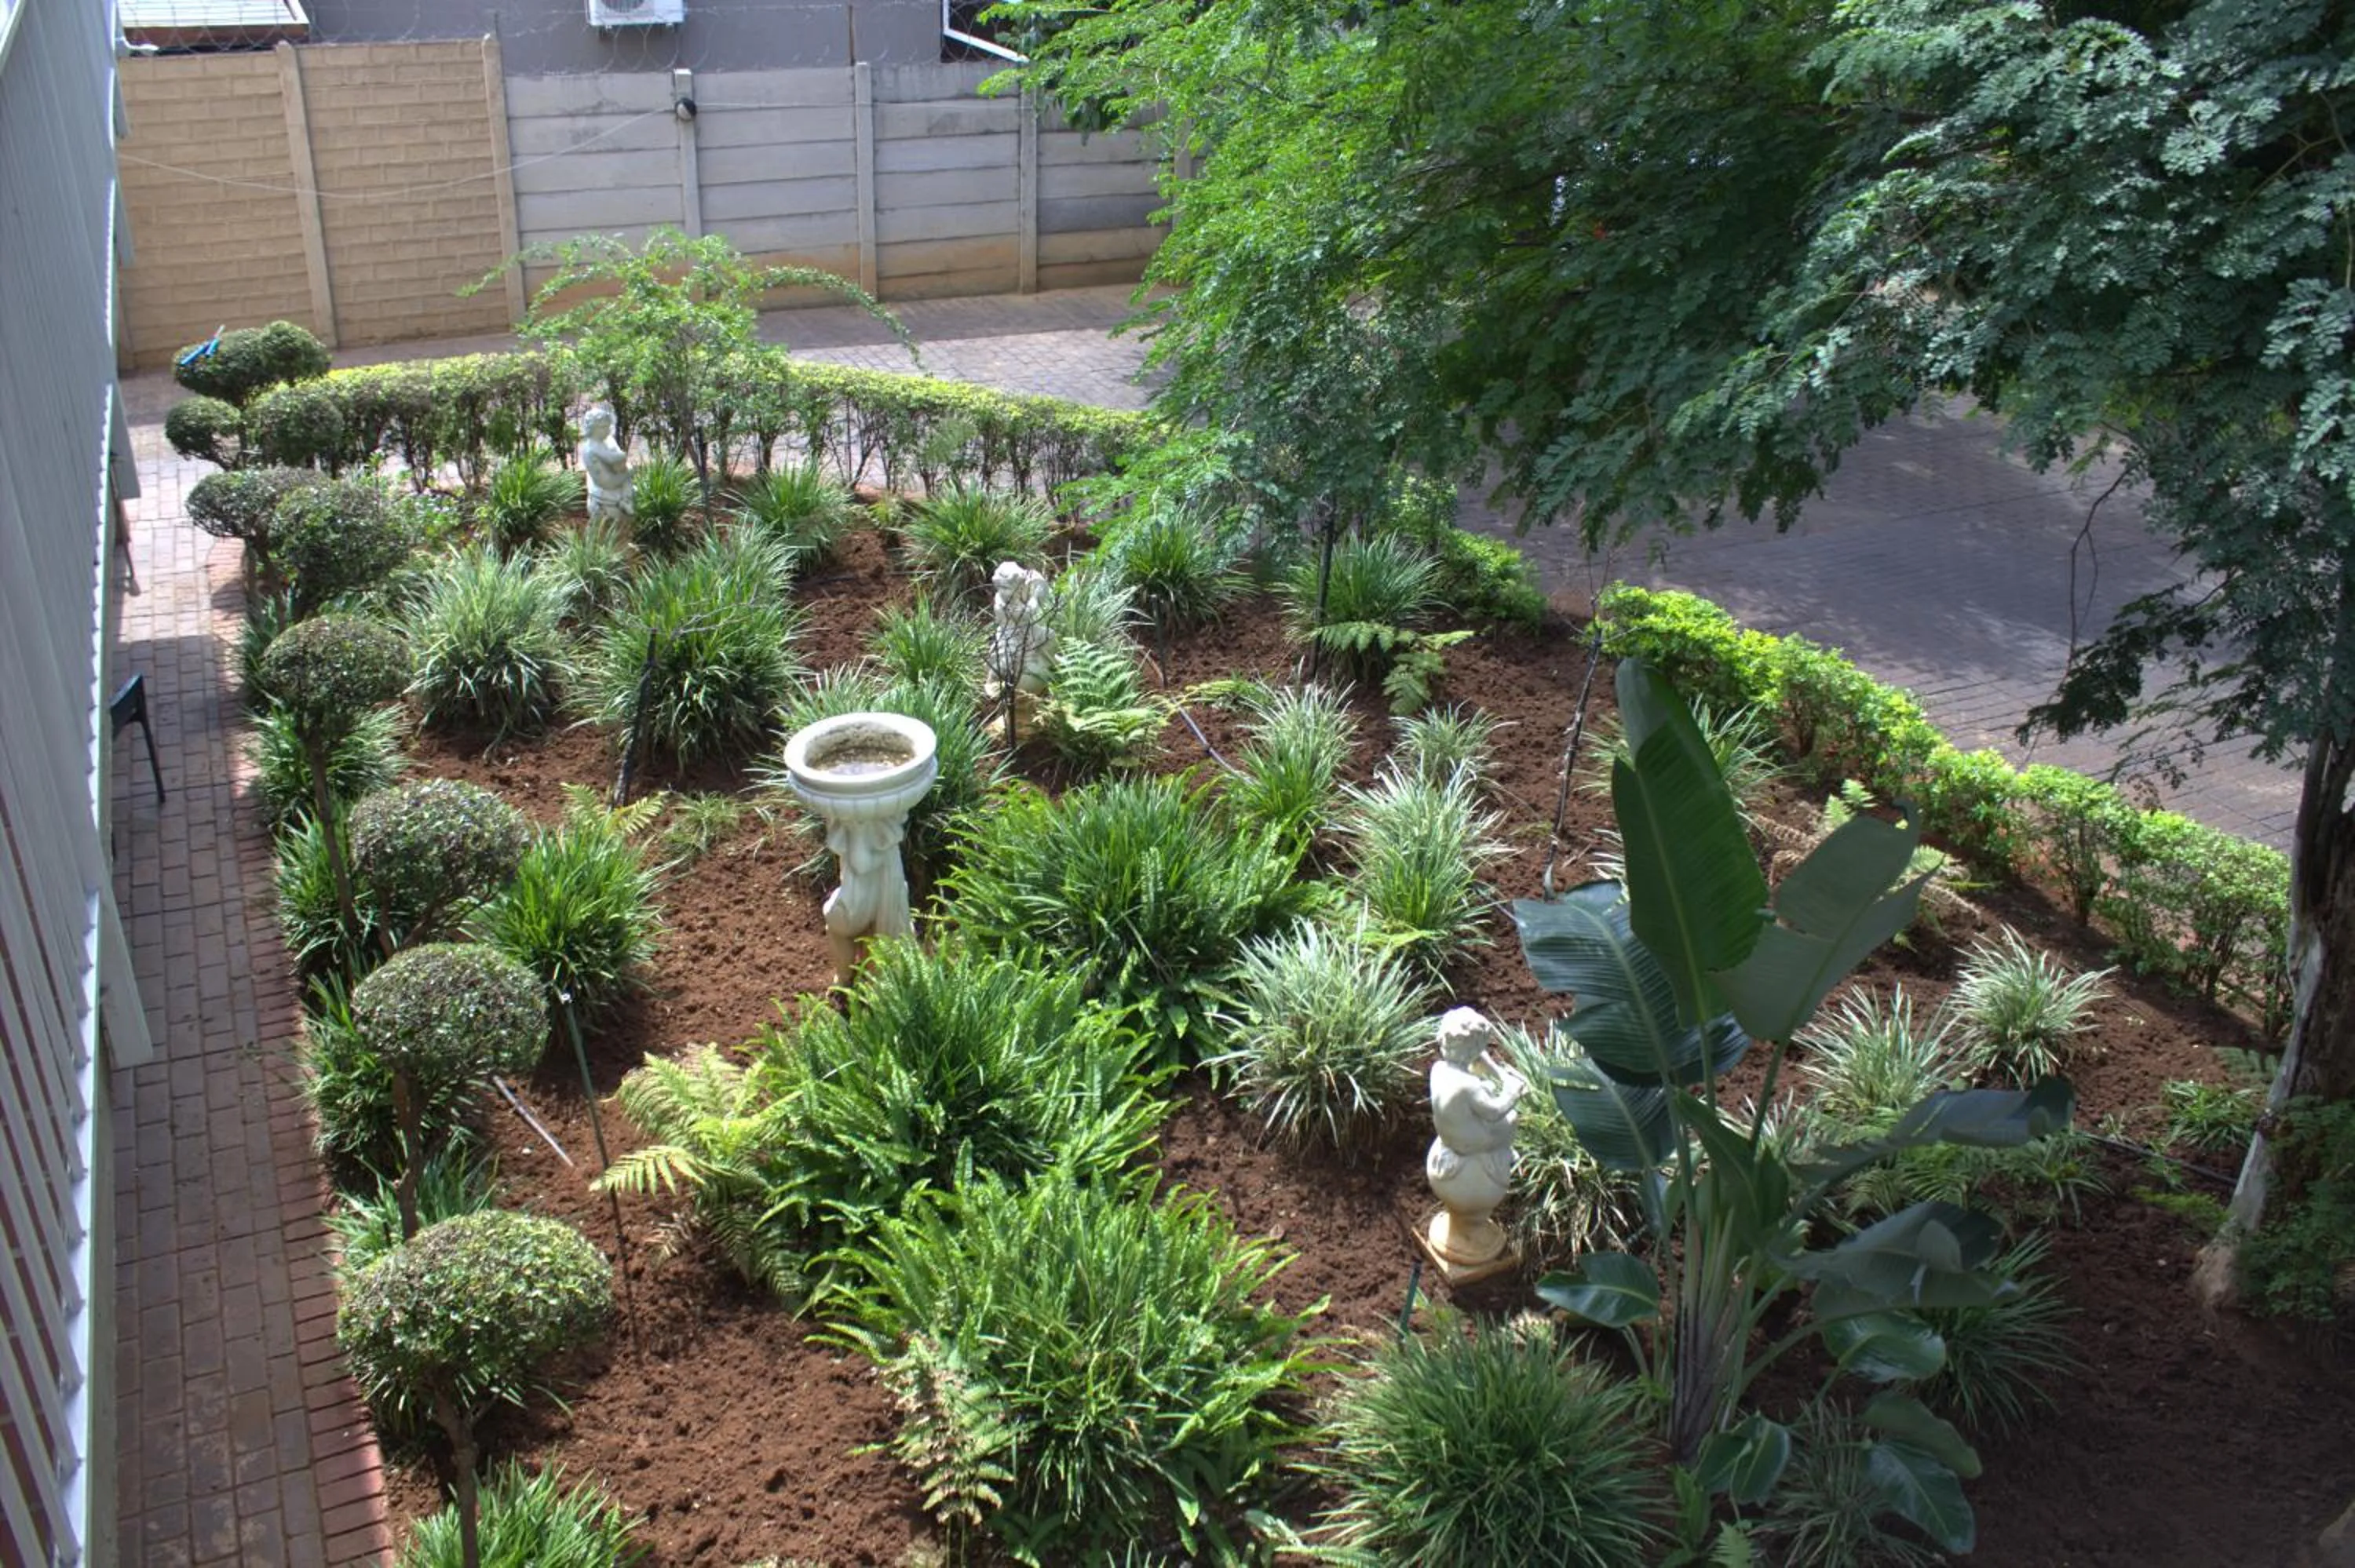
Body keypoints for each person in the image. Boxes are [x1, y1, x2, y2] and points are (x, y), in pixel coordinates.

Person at [579, 404, 633, 525]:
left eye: (609, 427)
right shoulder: (592, 447)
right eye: (603, 427)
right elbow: (611, 458)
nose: (608, 430)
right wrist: (622, 457)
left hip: (610, 478)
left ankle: (626, 500)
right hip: (608, 482)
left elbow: (615, 454)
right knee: (630, 472)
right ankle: (625, 501)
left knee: (628, 475)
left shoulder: (606, 441)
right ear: (592, 428)